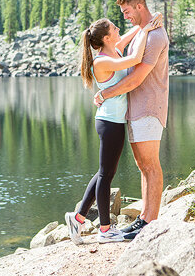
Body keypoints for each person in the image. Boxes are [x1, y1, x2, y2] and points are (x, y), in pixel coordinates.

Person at [65, 12, 163, 244]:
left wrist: (144, 25)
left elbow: (126, 38)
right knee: (105, 175)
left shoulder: (112, 49)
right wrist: (147, 31)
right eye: (114, 28)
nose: (118, 29)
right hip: (110, 122)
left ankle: (78, 218)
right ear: (107, 38)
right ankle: (105, 229)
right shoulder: (103, 61)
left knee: (103, 172)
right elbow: (135, 59)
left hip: (114, 121)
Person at [93, 0, 169, 241]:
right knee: (142, 165)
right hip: (135, 110)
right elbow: (127, 39)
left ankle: (151, 223)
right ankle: (144, 219)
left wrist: (105, 94)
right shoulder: (144, 32)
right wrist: (145, 25)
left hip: (149, 107)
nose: (125, 16)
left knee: (151, 165)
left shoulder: (156, 36)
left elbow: (136, 79)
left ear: (138, 7)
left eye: (126, 11)